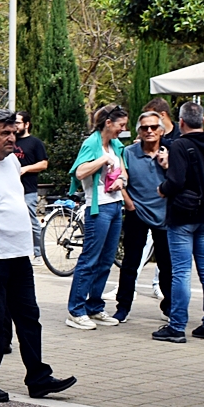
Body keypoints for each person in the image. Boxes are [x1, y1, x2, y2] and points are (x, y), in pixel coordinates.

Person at [0, 110, 78, 402]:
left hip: (17, 253)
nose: (13, 138)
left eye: (14, 132)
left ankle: (38, 377)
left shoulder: (12, 161)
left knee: (29, 317)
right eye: (5, 133)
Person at [153, 102, 204, 343]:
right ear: (202, 120)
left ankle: (177, 326)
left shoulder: (180, 145)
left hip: (183, 215)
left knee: (181, 271)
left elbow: (176, 181)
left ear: (181, 122)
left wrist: (162, 189)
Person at [65, 105, 128, 330]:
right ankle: (76, 310)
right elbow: (80, 172)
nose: (123, 129)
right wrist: (102, 160)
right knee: (90, 259)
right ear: (108, 123)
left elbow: (124, 172)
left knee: (106, 260)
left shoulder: (116, 145)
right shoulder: (91, 144)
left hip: (115, 206)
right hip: (98, 208)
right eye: (121, 125)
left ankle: (94, 306)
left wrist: (121, 180)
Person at [114, 109, 173, 324]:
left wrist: (168, 165)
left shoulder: (171, 152)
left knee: (167, 265)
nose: (149, 131)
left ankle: (169, 307)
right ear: (139, 131)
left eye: (153, 127)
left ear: (161, 130)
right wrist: (129, 204)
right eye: (144, 127)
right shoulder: (128, 153)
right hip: (137, 213)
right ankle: (123, 307)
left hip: (165, 215)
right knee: (130, 262)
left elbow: (181, 180)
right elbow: (119, 178)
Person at [13, 111, 49, 224]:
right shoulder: (10, 141)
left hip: (28, 189)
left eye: (18, 123)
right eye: (14, 123)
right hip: (11, 189)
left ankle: (37, 237)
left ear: (27, 124)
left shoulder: (35, 143)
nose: (15, 125)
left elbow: (44, 164)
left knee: (30, 222)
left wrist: (26, 169)